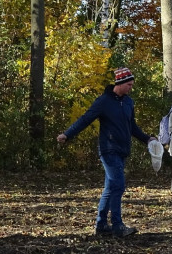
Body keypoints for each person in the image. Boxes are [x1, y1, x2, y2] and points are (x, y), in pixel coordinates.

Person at [58, 67, 155, 237]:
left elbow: (132, 126)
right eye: (129, 85)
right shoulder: (103, 101)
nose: (131, 88)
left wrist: (147, 139)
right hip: (108, 149)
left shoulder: (128, 102)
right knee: (118, 185)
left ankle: (101, 225)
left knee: (110, 187)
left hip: (122, 149)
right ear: (120, 83)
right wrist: (67, 134)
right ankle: (117, 226)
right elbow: (85, 119)